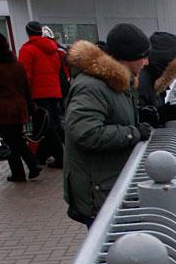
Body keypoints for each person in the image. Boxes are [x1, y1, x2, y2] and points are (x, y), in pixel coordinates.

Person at [63, 23, 153, 227]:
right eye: (143, 56)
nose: (147, 62)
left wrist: (142, 117)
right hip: (98, 191)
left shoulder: (115, 82)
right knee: (110, 253)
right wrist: (133, 132)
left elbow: (112, 116)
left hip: (107, 184)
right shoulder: (93, 86)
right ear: (127, 58)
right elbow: (86, 133)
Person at [0, 31, 41, 182]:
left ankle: (19, 173)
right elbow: (26, 88)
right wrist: (29, 105)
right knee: (17, 139)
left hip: (2, 111)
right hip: (19, 109)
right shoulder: (16, 64)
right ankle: (33, 165)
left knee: (10, 143)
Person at [17, 20, 64, 168]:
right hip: (54, 91)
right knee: (47, 124)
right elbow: (57, 68)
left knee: (46, 125)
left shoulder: (27, 49)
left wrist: (25, 94)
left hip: (38, 93)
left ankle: (60, 156)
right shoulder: (53, 48)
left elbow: (25, 74)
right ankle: (40, 156)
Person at [137, 32, 176, 127]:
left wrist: (162, 111)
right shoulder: (143, 82)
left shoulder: (155, 79)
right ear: (166, 65)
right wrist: (160, 115)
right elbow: (136, 118)